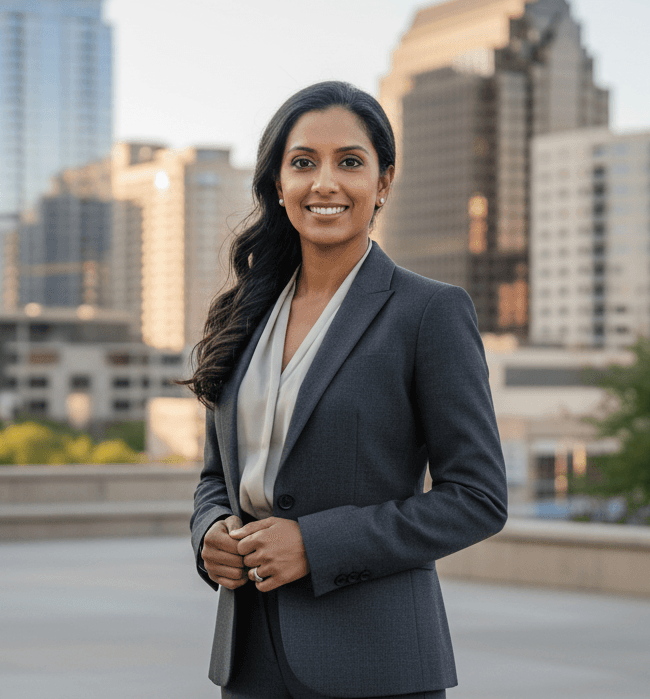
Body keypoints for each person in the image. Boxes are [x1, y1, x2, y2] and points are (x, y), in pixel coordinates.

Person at [185, 81, 508, 699]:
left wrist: (315, 543)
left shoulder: (428, 313)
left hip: (377, 666)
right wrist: (210, 535)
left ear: (383, 183)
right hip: (248, 658)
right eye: (303, 163)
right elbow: (214, 478)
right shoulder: (244, 315)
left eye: (350, 162)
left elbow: (477, 498)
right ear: (277, 185)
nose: (324, 183)